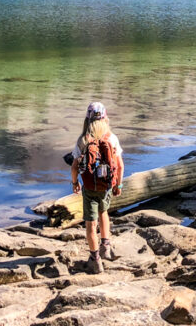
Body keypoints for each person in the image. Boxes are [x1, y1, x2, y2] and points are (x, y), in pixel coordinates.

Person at [70, 101, 124, 273]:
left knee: (90, 224)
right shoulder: (112, 139)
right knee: (104, 213)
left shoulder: (83, 140)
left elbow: (74, 166)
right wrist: (118, 184)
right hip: (106, 186)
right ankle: (106, 247)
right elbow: (120, 165)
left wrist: (75, 182)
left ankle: (95, 259)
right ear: (105, 118)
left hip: (89, 188)